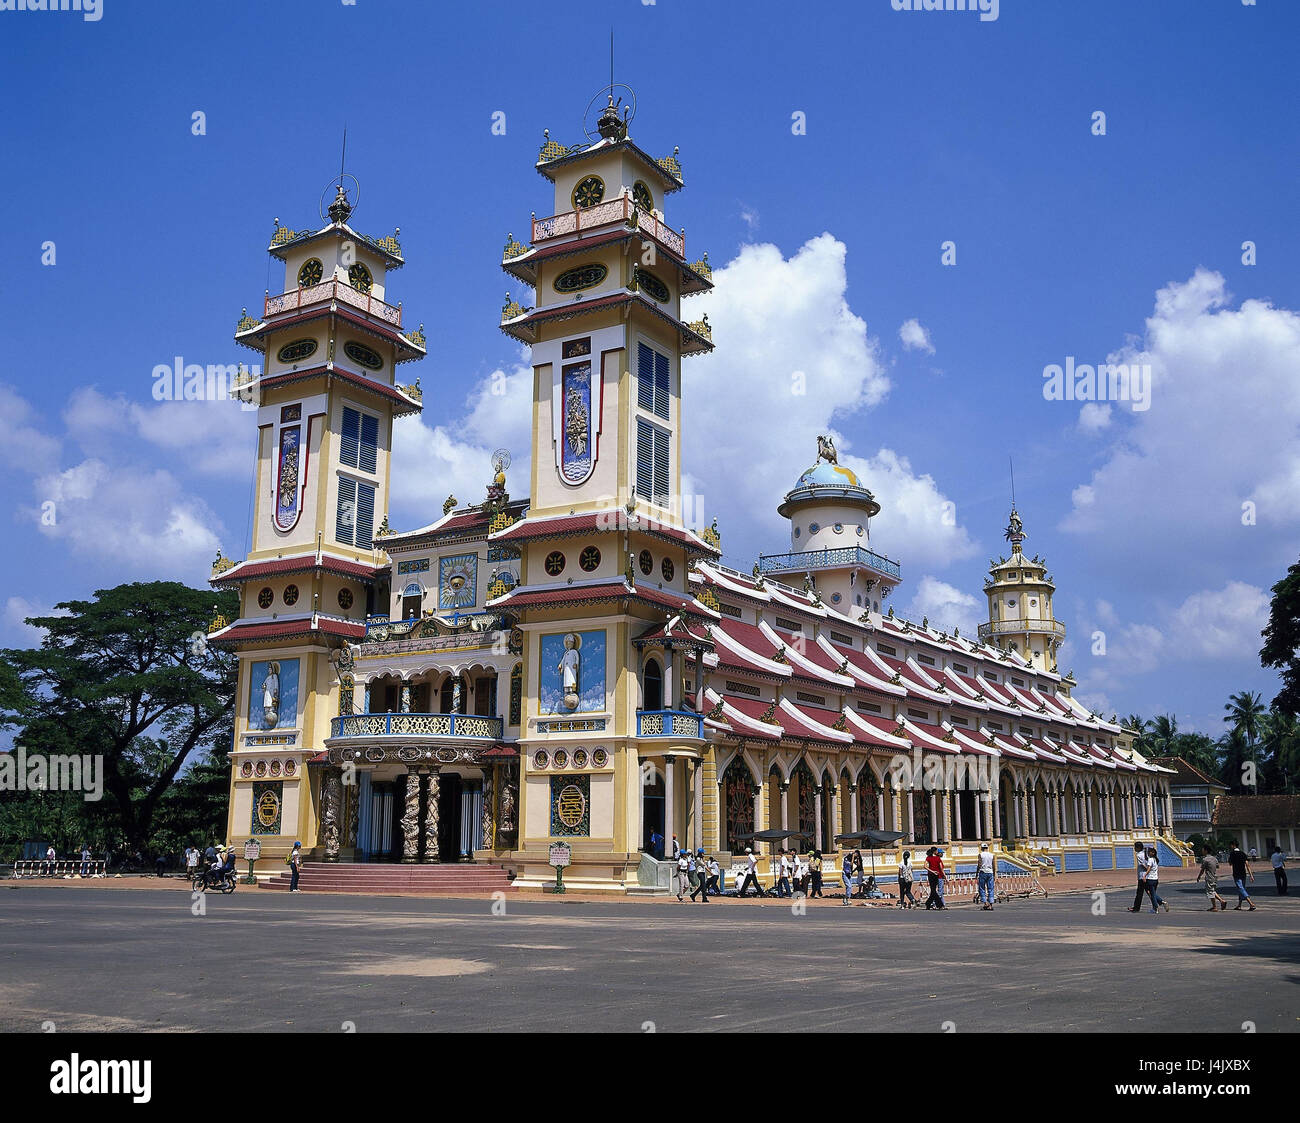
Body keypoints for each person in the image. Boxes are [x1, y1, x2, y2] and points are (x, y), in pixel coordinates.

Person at [1197, 846, 1227, 911]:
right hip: (1215, 876)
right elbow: (1217, 866)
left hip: (1209, 877)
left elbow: (1202, 870)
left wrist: (1199, 876)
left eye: (1203, 850)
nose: (1202, 851)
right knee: (1212, 890)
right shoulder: (1214, 859)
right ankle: (1221, 902)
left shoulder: (1205, 859)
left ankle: (1215, 906)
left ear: (1206, 851)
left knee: (1210, 892)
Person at [1229, 843, 1257, 910]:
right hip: (1243, 873)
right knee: (1242, 889)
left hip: (1236, 873)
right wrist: (1251, 875)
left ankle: (1251, 903)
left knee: (1241, 888)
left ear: (1233, 845)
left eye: (1230, 845)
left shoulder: (1232, 854)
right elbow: (1247, 865)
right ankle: (1239, 905)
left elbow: (1230, 863)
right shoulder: (1243, 853)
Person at [1143, 847, 1168, 913]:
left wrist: (1144, 875)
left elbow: (1148, 869)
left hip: (1150, 879)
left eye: (1150, 852)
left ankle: (1155, 908)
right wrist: (1145, 852)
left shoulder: (1150, 859)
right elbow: (1146, 858)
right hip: (1155, 879)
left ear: (1153, 853)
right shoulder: (1155, 859)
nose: (1149, 853)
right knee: (1152, 893)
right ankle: (1161, 902)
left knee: (1152, 894)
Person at [1127, 842, 1148, 912]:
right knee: (1150, 891)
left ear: (1138, 848)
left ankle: (1136, 907)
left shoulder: (1139, 855)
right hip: (1148, 875)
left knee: (1139, 893)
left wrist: (1147, 869)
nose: (1134, 848)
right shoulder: (1145, 854)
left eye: (1135, 847)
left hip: (1142, 876)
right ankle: (1160, 902)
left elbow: (1142, 864)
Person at [976, 843, 996, 911]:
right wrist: (994, 874)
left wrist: (976, 873)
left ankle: (985, 903)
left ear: (981, 848)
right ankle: (990, 904)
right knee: (991, 888)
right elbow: (994, 865)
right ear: (987, 848)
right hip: (990, 872)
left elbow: (979, 864)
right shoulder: (992, 855)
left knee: (982, 888)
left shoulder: (980, 855)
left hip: (983, 872)